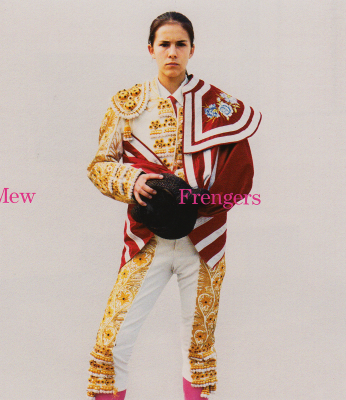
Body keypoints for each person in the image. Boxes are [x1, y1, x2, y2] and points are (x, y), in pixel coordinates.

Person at [86, 11, 261, 400]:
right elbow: (99, 166)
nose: (172, 52)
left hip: (203, 240)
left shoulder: (220, 105)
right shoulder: (127, 104)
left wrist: (206, 201)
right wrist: (131, 180)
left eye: (180, 44)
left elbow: (239, 176)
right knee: (110, 344)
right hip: (147, 239)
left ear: (192, 50)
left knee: (198, 347)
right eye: (164, 44)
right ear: (150, 49)